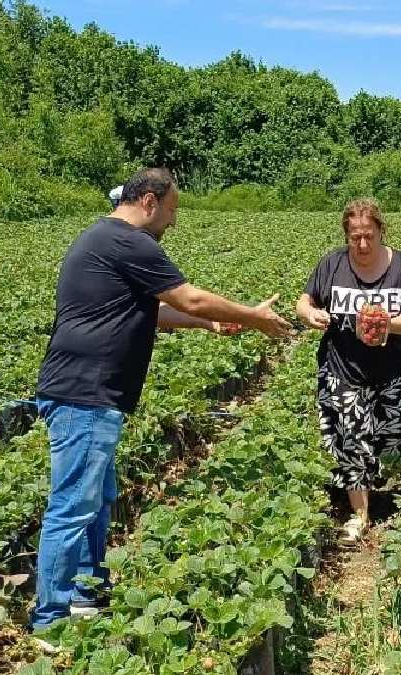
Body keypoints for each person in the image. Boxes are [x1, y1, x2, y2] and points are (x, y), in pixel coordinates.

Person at [30, 168, 292, 636]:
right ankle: (50, 620)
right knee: (72, 505)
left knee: (95, 500)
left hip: (87, 393)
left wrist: (211, 325)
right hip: (85, 393)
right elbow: (188, 298)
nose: (173, 221)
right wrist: (252, 317)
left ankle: (86, 594)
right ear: (149, 201)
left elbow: (152, 311)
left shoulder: (102, 238)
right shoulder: (129, 242)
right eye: (172, 210)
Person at [296, 198, 401, 543]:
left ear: (381, 231)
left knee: (389, 439)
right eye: (355, 237)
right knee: (351, 441)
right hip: (343, 369)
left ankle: (378, 479)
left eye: (369, 235)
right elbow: (305, 300)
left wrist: (386, 325)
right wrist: (308, 314)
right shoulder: (331, 265)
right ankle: (360, 514)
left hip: (394, 371)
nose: (363, 244)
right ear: (346, 235)